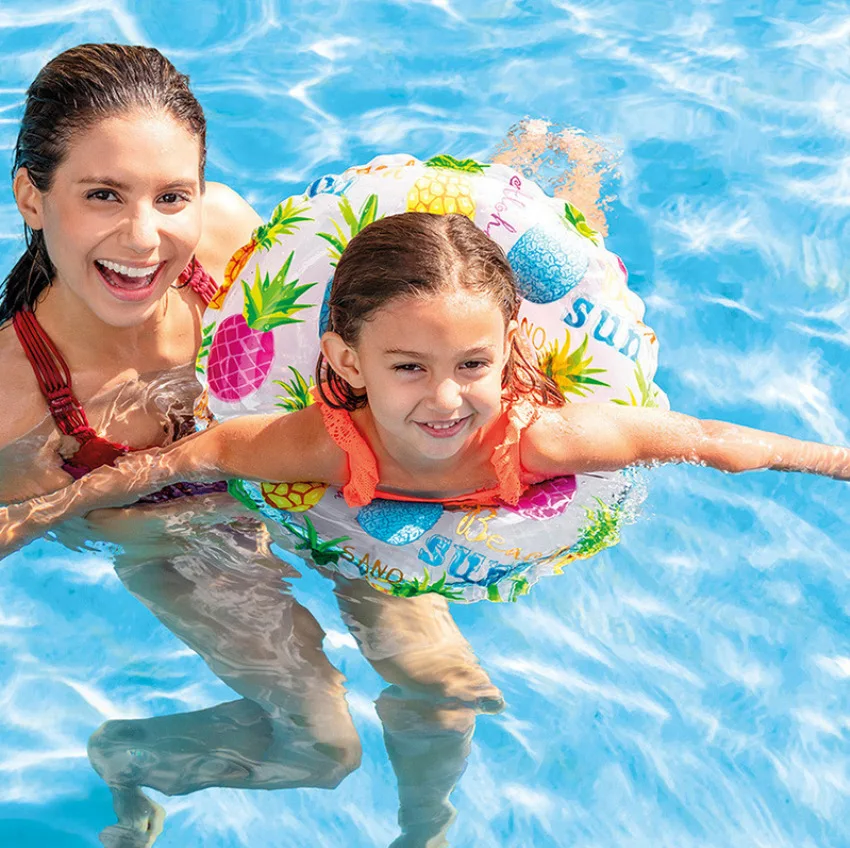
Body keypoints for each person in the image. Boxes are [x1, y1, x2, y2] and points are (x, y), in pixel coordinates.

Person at [0, 44, 499, 848]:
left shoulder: (226, 240)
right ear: (33, 196)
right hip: (185, 542)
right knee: (323, 750)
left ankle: (426, 835)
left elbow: (351, 337)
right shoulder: (13, 393)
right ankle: (127, 754)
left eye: (172, 196)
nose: (143, 237)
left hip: (308, 483)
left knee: (445, 689)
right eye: (102, 195)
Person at [3, 209, 848, 537]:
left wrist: (835, 462)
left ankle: (554, 183)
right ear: (345, 362)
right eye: (406, 367)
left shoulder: (546, 440)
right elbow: (198, 455)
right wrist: (40, 514)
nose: (445, 400)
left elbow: (705, 439)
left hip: (548, 348)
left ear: (506, 349)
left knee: (572, 214)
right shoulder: (332, 445)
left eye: (472, 365)